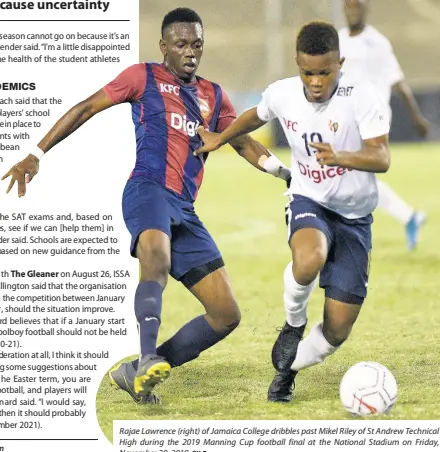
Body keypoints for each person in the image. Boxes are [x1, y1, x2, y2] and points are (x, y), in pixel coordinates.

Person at [2, 8, 290, 404]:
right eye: (181, 45)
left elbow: (241, 141)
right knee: (156, 259)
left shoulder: (214, 95)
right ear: (164, 47)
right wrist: (37, 152)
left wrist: (285, 174)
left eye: (197, 45)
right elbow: (87, 107)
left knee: (226, 314)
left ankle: (140, 370)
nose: (190, 52)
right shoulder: (143, 77)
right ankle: (147, 356)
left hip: (184, 208)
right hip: (147, 190)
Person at [195, 21, 390, 403]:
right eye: (307, 72)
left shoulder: (362, 96)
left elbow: (381, 157)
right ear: (298, 65)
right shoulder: (284, 93)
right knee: (309, 257)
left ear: (340, 64)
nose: (316, 81)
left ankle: (288, 370)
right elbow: (257, 114)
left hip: (355, 218)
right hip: (308, 199)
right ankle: (293, 324)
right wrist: (221, 137)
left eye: (325, 72)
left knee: (337, 331)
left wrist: (341, 157)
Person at [339, 0, 429, 250]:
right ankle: (409, 216)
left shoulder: (378, 43)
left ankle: (349, 230)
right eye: (349, 6)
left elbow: (397, 81)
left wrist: (416, 116)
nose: (353, 11)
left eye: (358, 6)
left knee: (353, 172)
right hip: (347, 115)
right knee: (355, 175)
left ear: (367, 9)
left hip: (373, 116)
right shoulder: (338, 39)